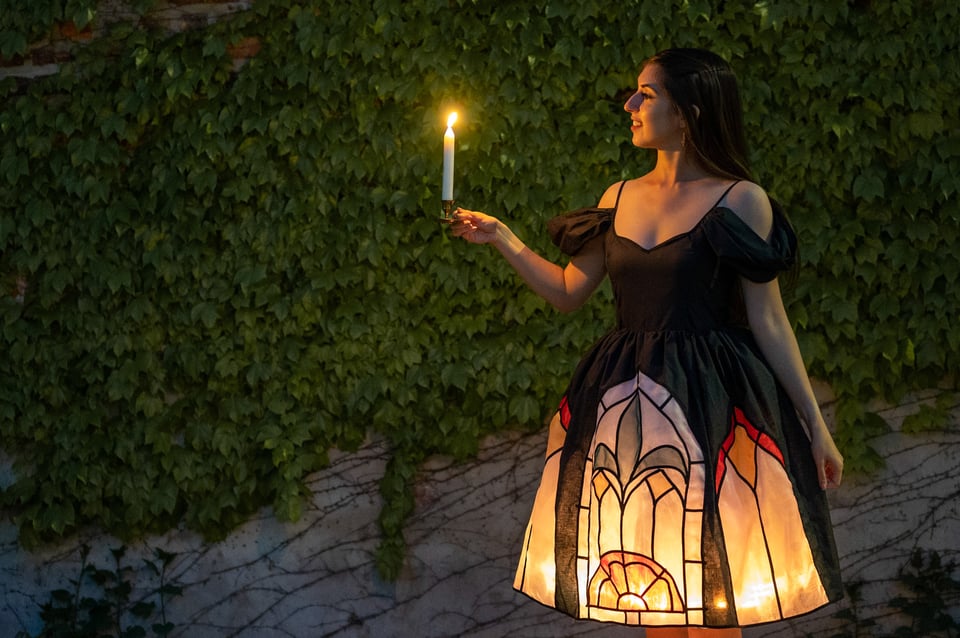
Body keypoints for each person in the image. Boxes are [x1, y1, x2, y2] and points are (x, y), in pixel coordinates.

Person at [450, 48, 844, 636]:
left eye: (646, 94)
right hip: (627, 408)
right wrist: (502, 238)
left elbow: (770, 322)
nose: (630, 105)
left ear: (686, 113)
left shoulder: (741, 200)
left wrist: (817, 429)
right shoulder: (616, 198)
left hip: (713, 410)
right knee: (652, 592)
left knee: (712, 595)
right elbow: (566, 291)